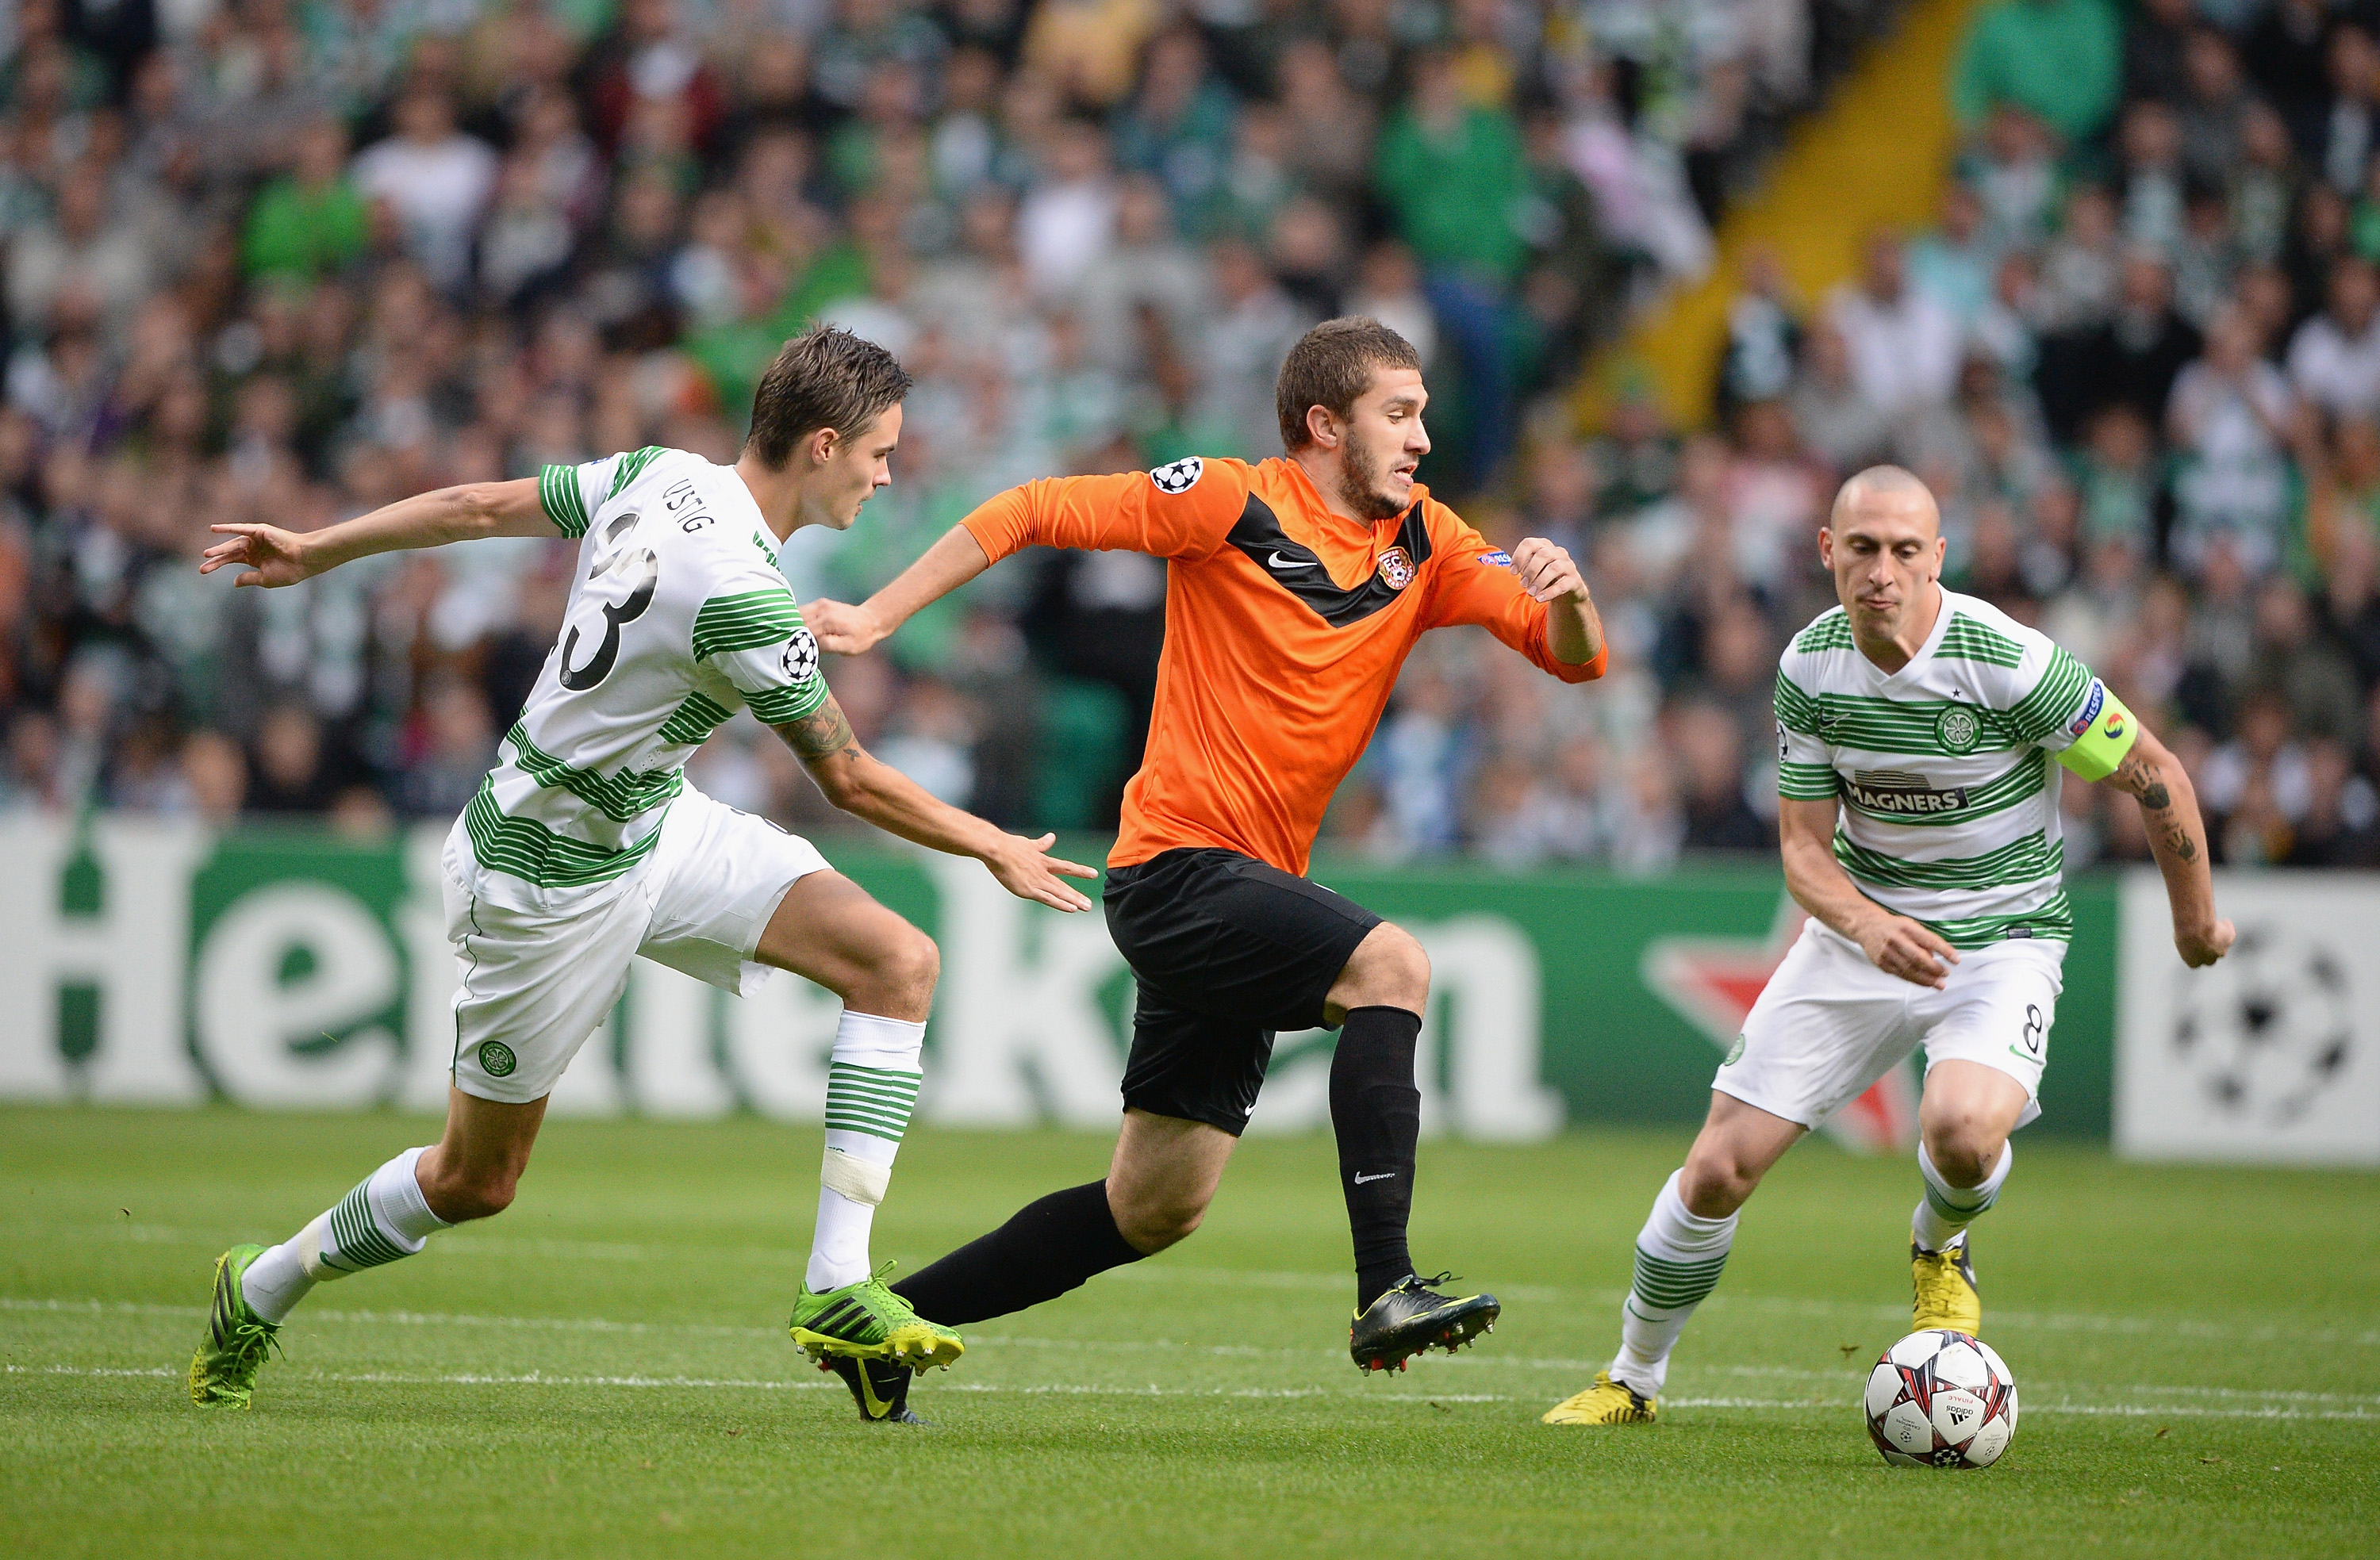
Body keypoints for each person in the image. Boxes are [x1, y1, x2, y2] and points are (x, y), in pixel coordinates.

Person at [185, 328, 1096, 1418]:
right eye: (880, 453)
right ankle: (263, 1282)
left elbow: (477, 506)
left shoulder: (662, 472)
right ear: (822, 445)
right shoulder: (746, 594)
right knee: (475, 1180)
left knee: (896, 961)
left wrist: (318, 547)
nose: (888, 475)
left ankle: (836, 1285)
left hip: (652, 819)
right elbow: (850, 777)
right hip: (546, 870)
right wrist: (993, 841)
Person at [803, 316, 1607, 1419]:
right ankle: (1387, 1286)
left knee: (1154, 1205)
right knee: (1393, 966)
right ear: (1326, 425)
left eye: (1423, 413)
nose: (1423, 438)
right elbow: (1030, 507)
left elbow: (1574, 657)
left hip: (1246, 892)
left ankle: (879, 1326)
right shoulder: (1228, 501)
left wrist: (1569, 595)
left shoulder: (1427, 540)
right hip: (1178, 869)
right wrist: (876, 613)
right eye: (1398, 414)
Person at [1542, 466, 2232, 1428]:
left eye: (1906, 550)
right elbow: (1802, 849)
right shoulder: (1811, 667)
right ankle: (1632, 1378)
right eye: (1862, 548)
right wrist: (1867, 923)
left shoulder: (2009, 662)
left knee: (1962, 1132)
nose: (1882, 571)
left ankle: (1938, 1243)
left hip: (2001, 941)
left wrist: (2196, 922)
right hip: (1861, 937)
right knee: (1717, 1168)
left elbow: (2154, 770)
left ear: (1936, 557)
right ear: (1828, 550)